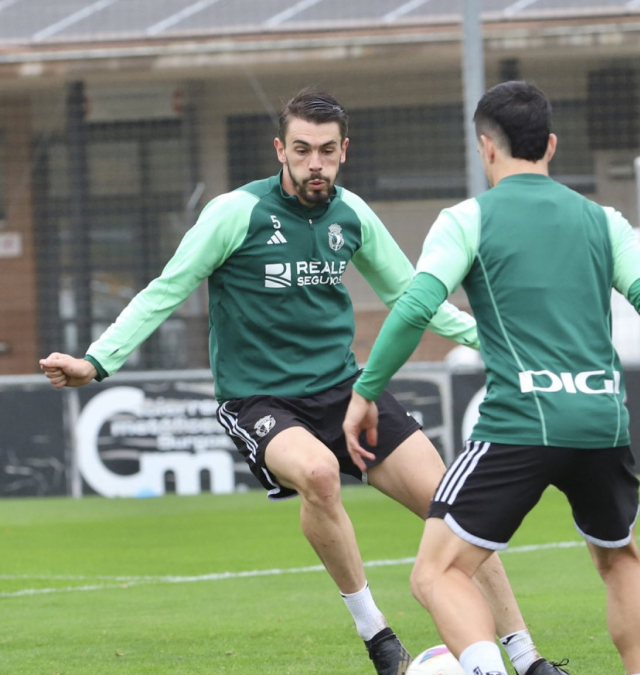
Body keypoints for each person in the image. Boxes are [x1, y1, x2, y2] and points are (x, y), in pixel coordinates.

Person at [39, 87, 567, 675]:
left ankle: (526, 657)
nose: (315, 163)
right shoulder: (234, 213)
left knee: (457, 507)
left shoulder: (353, 215)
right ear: (280, 150)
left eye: (327, 150)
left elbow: (415, 297)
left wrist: (491, 342)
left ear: (345, 150)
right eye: (302, 150)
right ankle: (381, 641)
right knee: (318, 474)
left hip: (344, 391)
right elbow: (168, 288)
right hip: (258, 398)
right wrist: (97, 360)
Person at [343, 81, 640, 675]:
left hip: (521, 423)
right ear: (552, 145)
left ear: (486, 148)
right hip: (600, 421)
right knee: (620, 561)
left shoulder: (467, 220)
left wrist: (364, 392)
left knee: (436, 571)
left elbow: (414, 308)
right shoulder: (602, 219)